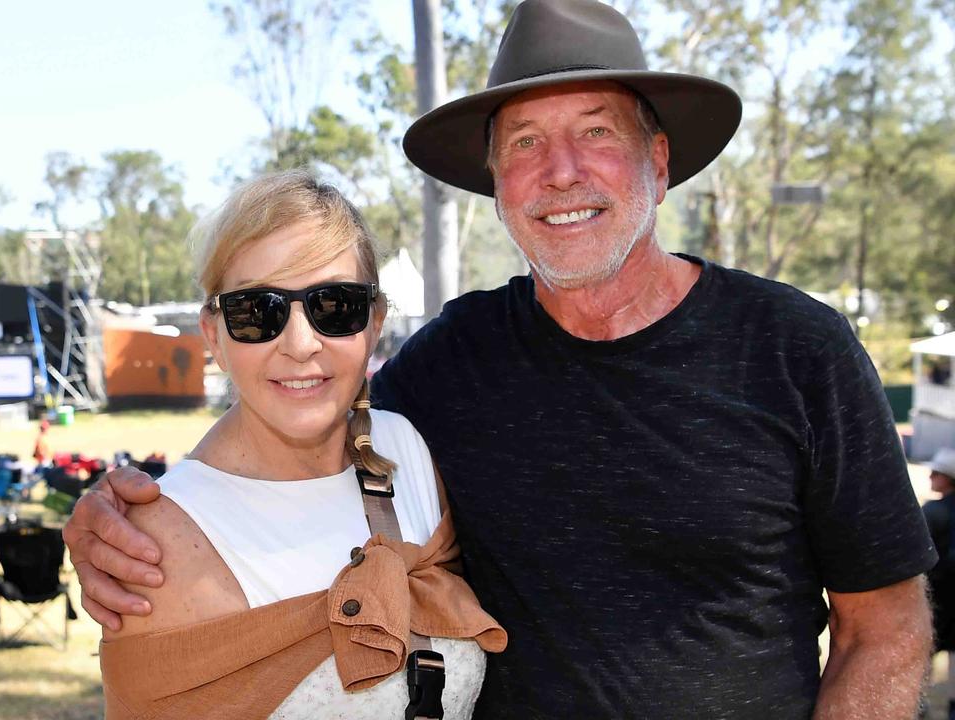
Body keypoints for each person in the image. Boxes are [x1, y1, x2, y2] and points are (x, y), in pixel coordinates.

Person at [64, 0, 936, 717]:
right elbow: (296, 405)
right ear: (495, 181)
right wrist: (124, 516)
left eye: (595, 131)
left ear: (658, 162)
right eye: (524, 142)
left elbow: (885, 629)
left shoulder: (797, 350)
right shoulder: (446, 369)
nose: (559, 172)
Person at [95, 170, 505, 719]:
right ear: (213, 334)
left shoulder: (406, 450)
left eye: (335, 306)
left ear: (375, 321)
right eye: (257, 311)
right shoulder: (157, 542)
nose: (300, 344)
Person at [924, 448, 955, 716]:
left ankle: (918, 704)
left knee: (925, 649)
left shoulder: (933, 512)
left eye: (937, 473)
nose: (931, 476)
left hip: (936, 596)